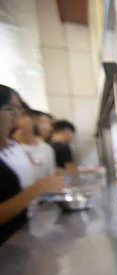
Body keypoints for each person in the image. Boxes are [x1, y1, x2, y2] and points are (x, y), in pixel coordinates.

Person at [0, 85, 66, 246]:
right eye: (11, 109)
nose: (15, 117)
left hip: (21, 234)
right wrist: (38, 188)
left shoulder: (13, 147)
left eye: (19, 110)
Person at [12, 102, 57, 180]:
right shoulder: (7, 150)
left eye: (22, 115)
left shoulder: (46, 148)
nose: (17, 121)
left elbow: (50, 177)